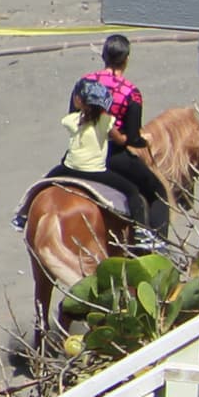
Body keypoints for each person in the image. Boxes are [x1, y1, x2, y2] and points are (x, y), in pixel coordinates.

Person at [57, 35, 166, 245]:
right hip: (113, 156)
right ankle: (155, 242)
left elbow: (73, 116)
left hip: (79, 151)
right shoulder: (131, 93)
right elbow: (131, 139)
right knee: (158, 191)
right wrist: (144, 141)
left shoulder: (83, 83)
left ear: (103, 56)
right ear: (126, 60)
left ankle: (23, 214)